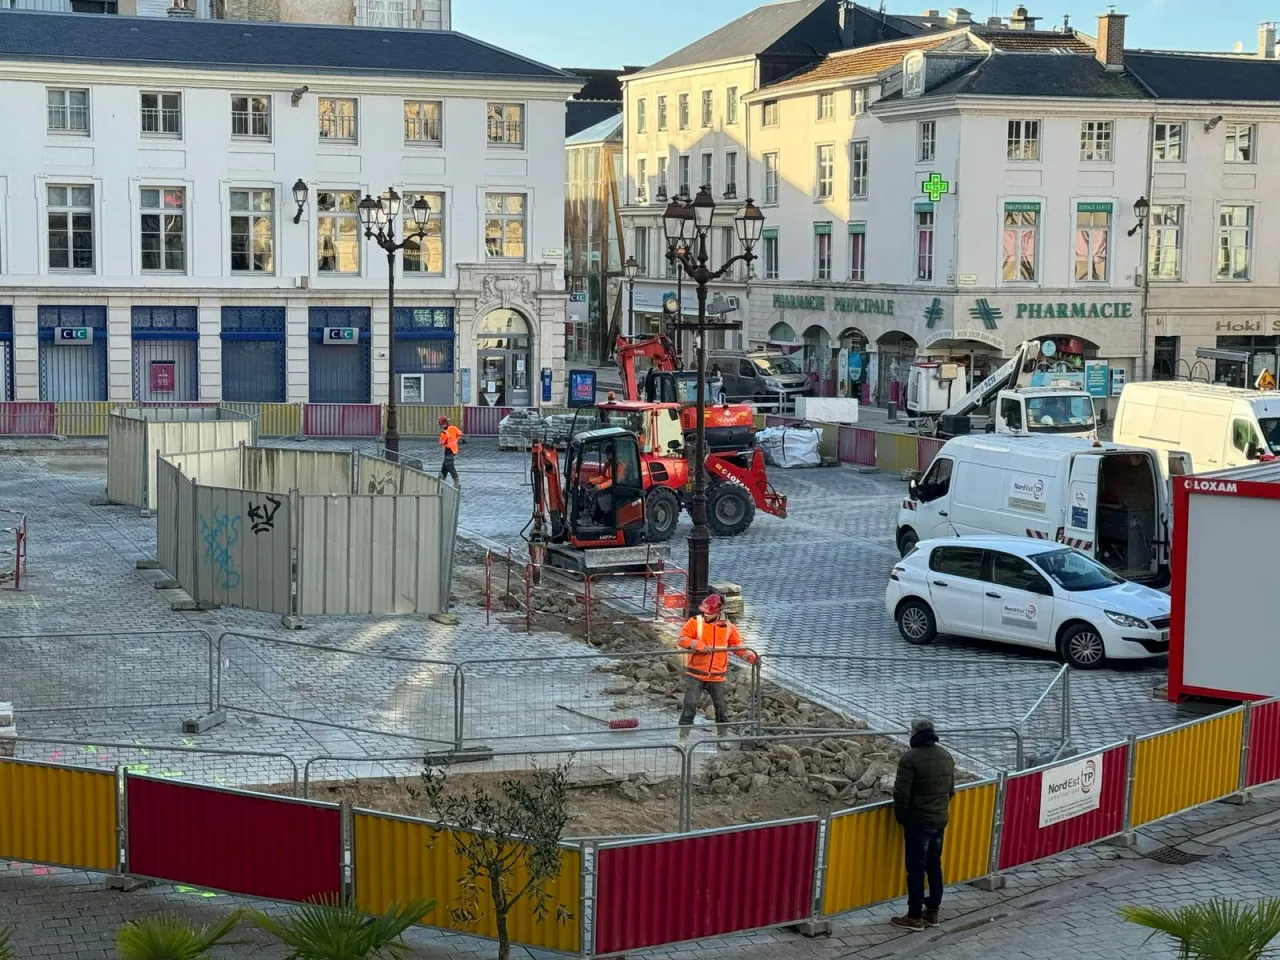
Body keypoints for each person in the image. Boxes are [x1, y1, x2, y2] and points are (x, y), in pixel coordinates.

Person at [891, 718, 956, 931]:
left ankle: (914, 916)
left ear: (914, 733)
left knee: (916, 869)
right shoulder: (946, 756)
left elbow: (901, 794)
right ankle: (933, 913)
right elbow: (951, 791)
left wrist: (902, 818)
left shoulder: (910, 759)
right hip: (939, 821)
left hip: (918, 823)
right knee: (934, 866)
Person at [676, 593, 756, 734]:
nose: (706, 615)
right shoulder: (695, 622)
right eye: (705, 612)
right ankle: (683, 736)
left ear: (718, 611)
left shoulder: (728, 627)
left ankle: (722, 735)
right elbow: (682, 639)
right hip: (696, 673)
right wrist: (698, 645)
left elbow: (737, 646)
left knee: (721, 707)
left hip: (717, 675)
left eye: (710, 613)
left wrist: (750, 657)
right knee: (690, 705)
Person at [438, 415, 462, 487]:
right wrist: (455, 440)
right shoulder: (453, 428)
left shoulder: (444, 433)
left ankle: (456, 481)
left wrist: (447, 442)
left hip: (448, 450)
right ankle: (441, 480)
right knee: (445, 466)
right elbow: (459, 433)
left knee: (450, 466)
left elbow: (441, 443)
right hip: (453, 450)